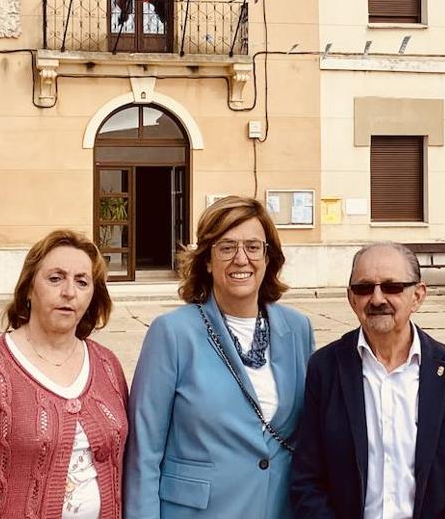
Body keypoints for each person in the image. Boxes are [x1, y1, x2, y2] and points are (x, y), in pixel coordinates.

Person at [124, 195, 316, 519]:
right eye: (227, 248)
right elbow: (144, 452)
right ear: (208, 261)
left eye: (253, 247)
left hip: (278, 509)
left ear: (268, 258)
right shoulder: (172, 333)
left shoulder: (297, 329)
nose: (241, 259)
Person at [291, 242, 445, 518]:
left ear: (418, 296)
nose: (377, 299)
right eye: (364, 288)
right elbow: (307, 478)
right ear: (351, 298)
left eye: (392, 287)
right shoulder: (325, 370)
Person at [0, 229, 128, 519]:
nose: (69, 292)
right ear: (28, 288)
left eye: (82, 281)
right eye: (55, 278)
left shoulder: (107, 365)